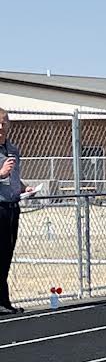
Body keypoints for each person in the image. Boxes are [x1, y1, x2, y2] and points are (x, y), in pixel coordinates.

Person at [0, 110, 33, 315]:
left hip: (12, 207)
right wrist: (0, 173)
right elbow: (3, 174)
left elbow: (14, 178)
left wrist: (23, 188)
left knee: (6, 255)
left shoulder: (13, 149)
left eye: (4, 123)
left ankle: (4, 301)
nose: (0, 128)